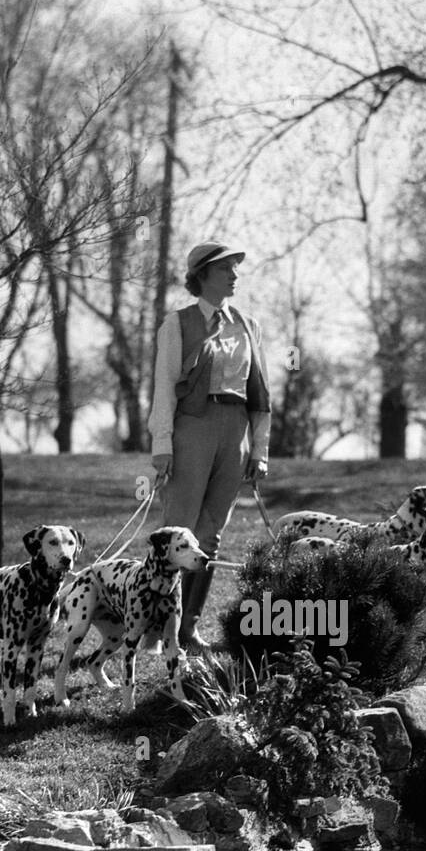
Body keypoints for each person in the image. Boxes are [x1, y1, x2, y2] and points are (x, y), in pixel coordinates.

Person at [147, 241, 271, 651]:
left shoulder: (248, 326)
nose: (234, 276)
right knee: (178, 532)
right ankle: (154, 627)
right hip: (192, 428)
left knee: (211, 537)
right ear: (202, 275)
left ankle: (188, 628)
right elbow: (165, 386)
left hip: (235, 431)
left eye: (236, 268)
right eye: (225, 270)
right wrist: (162, 443)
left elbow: (261, 395)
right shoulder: (177, 323)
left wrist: (260, 450)